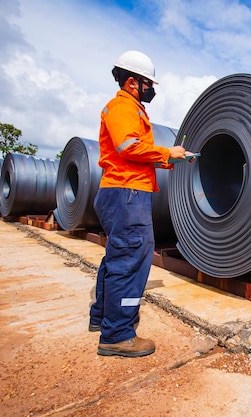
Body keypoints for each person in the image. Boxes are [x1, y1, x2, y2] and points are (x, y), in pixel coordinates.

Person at [89, 50, 190, 357]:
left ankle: (102, 318)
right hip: (127, 193)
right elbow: (128, 146)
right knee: (131, 261)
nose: (152, 89)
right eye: (148, 83)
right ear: (132, 82)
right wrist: (165, 153)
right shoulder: (122, 108)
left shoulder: (131, 109)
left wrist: (168, 161)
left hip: (123, 191)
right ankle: (117, 334)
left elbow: (132, 151)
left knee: (117, 257)